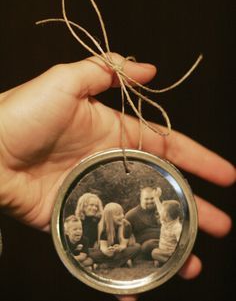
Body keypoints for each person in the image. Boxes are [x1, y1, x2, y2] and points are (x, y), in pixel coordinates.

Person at [0, 53, 234, 301]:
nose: (142, 206)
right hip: (110, 251)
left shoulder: (145, 216)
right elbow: (96, 242)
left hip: (137, 247)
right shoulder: (106, 221)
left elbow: (133, 235)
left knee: (139, 248)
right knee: (124, 251)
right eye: (144, 200)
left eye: (149, 201)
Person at [91, 202, 140, 268]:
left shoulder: (126, 225)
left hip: (122, 252)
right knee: (90, 252)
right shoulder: (103, 227)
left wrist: (119, 248)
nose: (122, 216)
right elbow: (103, 246)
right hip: (109, 252)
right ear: (109, 217)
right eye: (118, 214)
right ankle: (123, 262)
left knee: (137, 247)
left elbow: (124, 245)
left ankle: (107, 265)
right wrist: (107, 251)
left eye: (122, 213)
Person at [125, 186, 162, 259]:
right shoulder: (132, 214)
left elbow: (169, 221)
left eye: (152, 198)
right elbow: (124, 232)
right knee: (148, 246)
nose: (149, 201)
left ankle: (160, 256)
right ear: (141, 199)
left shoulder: (161, 209)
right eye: (146, 199)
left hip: (165, 240)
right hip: (146, 245)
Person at [151, 200, 182, 267]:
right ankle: (162, 260)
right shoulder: (165, 221)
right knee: (151, 247)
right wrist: (156, 197)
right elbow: (159, 208)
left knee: (154, 253)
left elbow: (181, 244)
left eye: (162, 211)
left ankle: (173, 263)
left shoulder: (177, 228)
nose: (160, 212)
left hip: (171, 253)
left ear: (166, 215)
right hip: (162, 250)